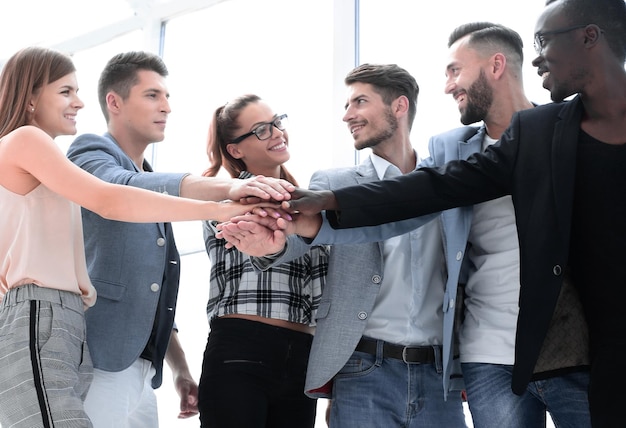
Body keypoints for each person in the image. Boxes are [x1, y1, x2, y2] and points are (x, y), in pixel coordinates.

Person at [282, 0, 626, 426]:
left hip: (587, 347)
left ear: (589, 37)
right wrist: (332, 200)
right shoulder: (526, 135)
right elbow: (430, 191)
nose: (536, 56)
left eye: (543, 41)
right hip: (489, 356)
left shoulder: (564, 134)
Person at [0, 47, 279, 428]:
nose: (79, 102)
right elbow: (110, 197)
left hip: (65, 319)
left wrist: (178, 365)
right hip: (44, 313)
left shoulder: (43, 157)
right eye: (66, 91)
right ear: (31, 95)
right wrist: (221, 205)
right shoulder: (29, 141)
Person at [225, 65, 467, 427]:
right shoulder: (334, 184)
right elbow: (300, 239)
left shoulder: (445, 185)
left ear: (399, 106)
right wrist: (269, 247)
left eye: (360, 102)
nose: (347, 115)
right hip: (364, 369)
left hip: (438, 375)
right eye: (347, 104)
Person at [197, 94, 328, 428]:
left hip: (302, 356)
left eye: (277, 122)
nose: (277, 133)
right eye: (261, 130)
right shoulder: (224, 196)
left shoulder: (309, 202)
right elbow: (260, 232)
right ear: (235, 149)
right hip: (242, 347)